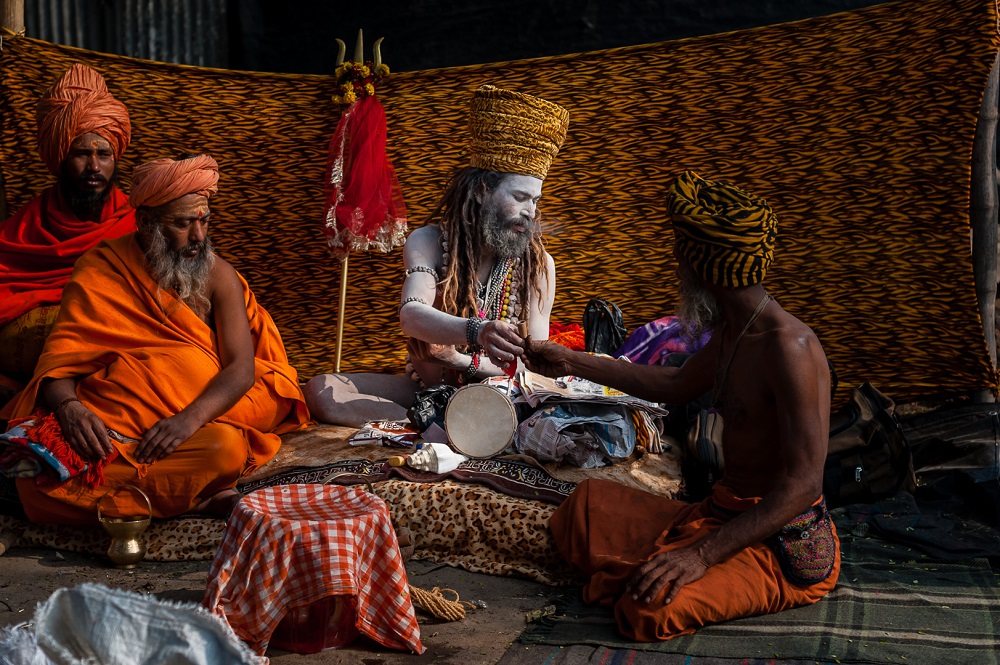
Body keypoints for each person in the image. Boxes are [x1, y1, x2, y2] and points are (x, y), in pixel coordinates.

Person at [523, 170, 839, 640]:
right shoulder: (738, 327)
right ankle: (662, 563)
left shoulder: (789, 348)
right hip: (719, 514)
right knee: (585, 507)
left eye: (681, 252)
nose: (675, 262)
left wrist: (700, 555)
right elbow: (673, 383)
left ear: (705, 265)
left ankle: (670, 569)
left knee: (647, 609)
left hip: (776, 541)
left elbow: (803, 484)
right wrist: (571, 361)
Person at [0, 155, 309, 524]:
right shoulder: (101, 269)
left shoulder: (219, 277)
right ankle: (186, 497)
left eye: (204, 221)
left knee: (224, 450)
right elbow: (59, 363)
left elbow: (241, 369)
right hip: (114, 426)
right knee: (37, 475)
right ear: (147, 224)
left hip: (191, 425)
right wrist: (71, 409)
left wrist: (187, 421)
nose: (198, 237)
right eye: (182, 224)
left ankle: (133, 500)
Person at [305, 85, 569, 426]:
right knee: (319, 388)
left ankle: (441, 428)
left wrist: (461, 361)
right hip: (428, 393)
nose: (530, 213)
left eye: (535, 201)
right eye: (520, 197)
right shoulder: (429, 241)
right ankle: (431, 425)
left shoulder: (540, 267)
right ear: (481, 190)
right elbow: (411, 314)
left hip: (499, 401)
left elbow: (533, 371)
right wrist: (478, 331)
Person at [0, 64, 136, 390]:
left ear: (115, 156)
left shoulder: (136, 222)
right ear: (61, 157)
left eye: (103, 154)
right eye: (80, 154)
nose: (93, 167)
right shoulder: (29, 225)